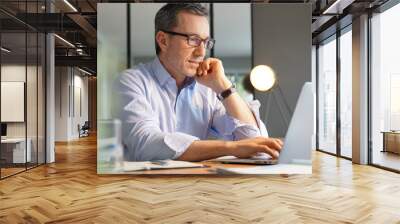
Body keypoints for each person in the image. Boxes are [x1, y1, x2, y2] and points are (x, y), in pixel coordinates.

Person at [116, 3, 283, 162]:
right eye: (193, 40)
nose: (201, 52)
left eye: (205, 42)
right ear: (163, 40)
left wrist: (224, 87)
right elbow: (145, 144)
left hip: (199, 187)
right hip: (143, 187)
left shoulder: (209, 89)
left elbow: (256, 144)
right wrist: (230, 148)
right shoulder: (130, 81)